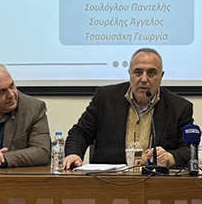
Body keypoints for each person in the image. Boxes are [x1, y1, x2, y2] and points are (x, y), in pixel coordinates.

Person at [63, 48, 194, 169]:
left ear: (161, 77)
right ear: (129, 74)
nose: (144, 79)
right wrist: (74, 154)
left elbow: (190, 148)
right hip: (109, 179)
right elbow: (80, 133)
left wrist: (170, 158)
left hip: (155, 180)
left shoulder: (179, 107)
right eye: (138, 72)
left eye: (151, 73)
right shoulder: (105, 98)